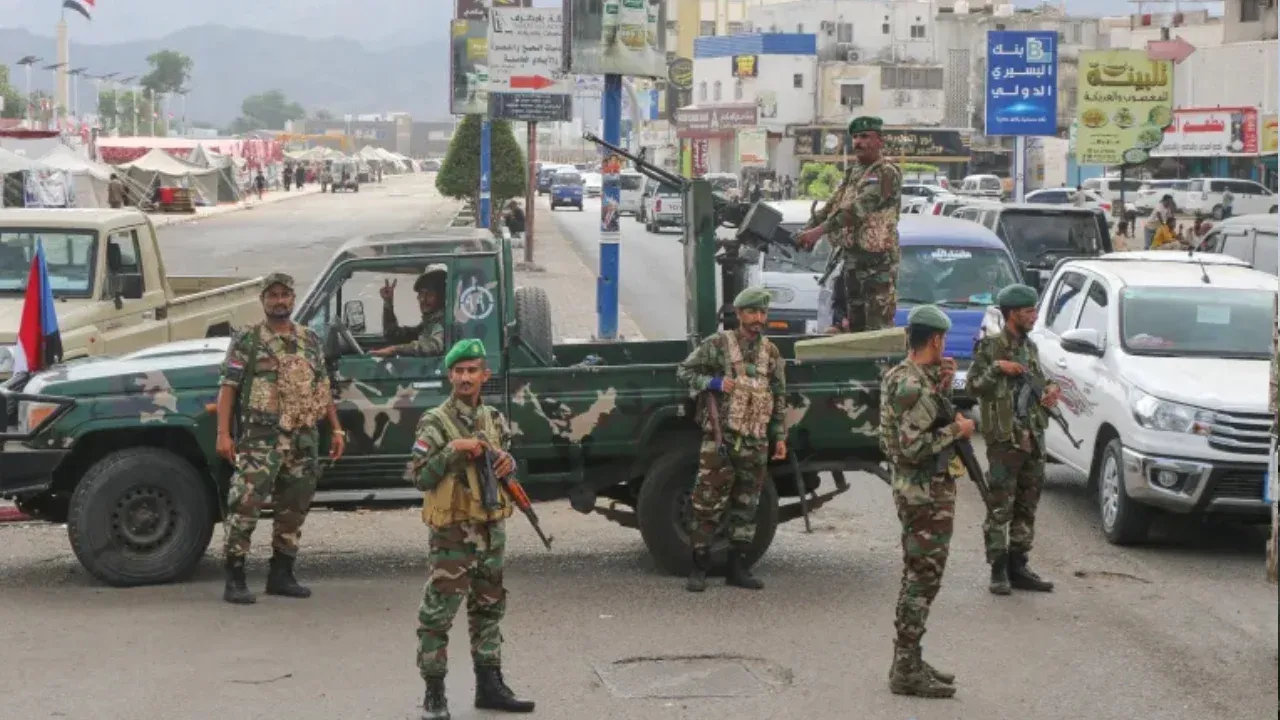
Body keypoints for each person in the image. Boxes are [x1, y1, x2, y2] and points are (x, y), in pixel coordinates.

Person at [409, 339, 535, 720]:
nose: (466, 378)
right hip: (453, 535)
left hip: (490, 529)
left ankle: (490, 685)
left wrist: (506, 462)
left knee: (489, 607)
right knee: (438, 614)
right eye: (459, 371)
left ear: (485, 375)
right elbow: (419, 476)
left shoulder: (493, 419)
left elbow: (505, 464)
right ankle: (435, 693)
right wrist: (453, 450)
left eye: (472, 371)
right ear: (450, 375)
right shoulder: (434, 421)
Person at [215, 272, 346, 605]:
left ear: (292, 298)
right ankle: (235, 578)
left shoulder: (310, 339)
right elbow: (228, 387)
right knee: (244, 507)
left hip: (303, 439)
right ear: (263, 300)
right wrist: (223, 434)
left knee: (294, 508)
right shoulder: (249, 339)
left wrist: (336, 428)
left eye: (284, 295)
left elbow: (322, 389)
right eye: (272, 295)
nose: (279, 301)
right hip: (261, 440)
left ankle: (281, 574)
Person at [879, 304, 974, 698]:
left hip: (919, 491)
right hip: (923, 495)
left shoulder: (906, 375)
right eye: (944, 340)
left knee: (917, 575)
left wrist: (944, 384)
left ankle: (909, 659)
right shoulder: (912, 385)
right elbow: (913, 446)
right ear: (935, 339)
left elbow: (922, 418)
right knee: (923, 579)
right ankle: (906, 670)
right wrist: (958, 429)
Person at [676, 286, 788, 592]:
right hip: (721, 438)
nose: (758, 318)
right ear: (739, 314)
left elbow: (778, 396)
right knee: (707, 502)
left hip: (755, 439)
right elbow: (684, 372)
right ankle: (699, 567)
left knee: (747, 504)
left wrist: (779, 435)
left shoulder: (771, 352)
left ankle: (738, 568)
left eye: (762, 313)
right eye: (752, 312)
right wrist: (712, 382)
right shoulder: (718, 345)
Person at [965, 284, 1059, 596]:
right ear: (1012, 314)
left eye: (1034, 310)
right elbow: (972, 388)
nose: (1034, 316)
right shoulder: (990, 347)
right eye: (1028, 311)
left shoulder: (1030, 347)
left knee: (1026, 505)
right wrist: (997, 368)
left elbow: (1038, 381)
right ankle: (998, 569)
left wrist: (1049, 392)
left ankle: (1019, 565)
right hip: (1005, 440)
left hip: (1032, 436)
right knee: (1000, 507)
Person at [794, 115, 902, 333]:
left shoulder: (886, 172)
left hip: (877, 268)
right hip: (852, 265)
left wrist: (816, 233)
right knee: (855, 330)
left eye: (865, 137)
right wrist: (805, 231)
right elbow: (831, 208)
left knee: (877, 333)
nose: (859, 142)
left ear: (879, 141)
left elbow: (856, 211)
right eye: (855, 138)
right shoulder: (853, 173)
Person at [372, 265, 448, 358]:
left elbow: (433, 346)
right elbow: (393, 334)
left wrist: (395, 350)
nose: (423, 299)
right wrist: (388, 303)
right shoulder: (428, 324)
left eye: (430, 294)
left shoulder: (444, 322)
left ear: (441, 296)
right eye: (421, 294)